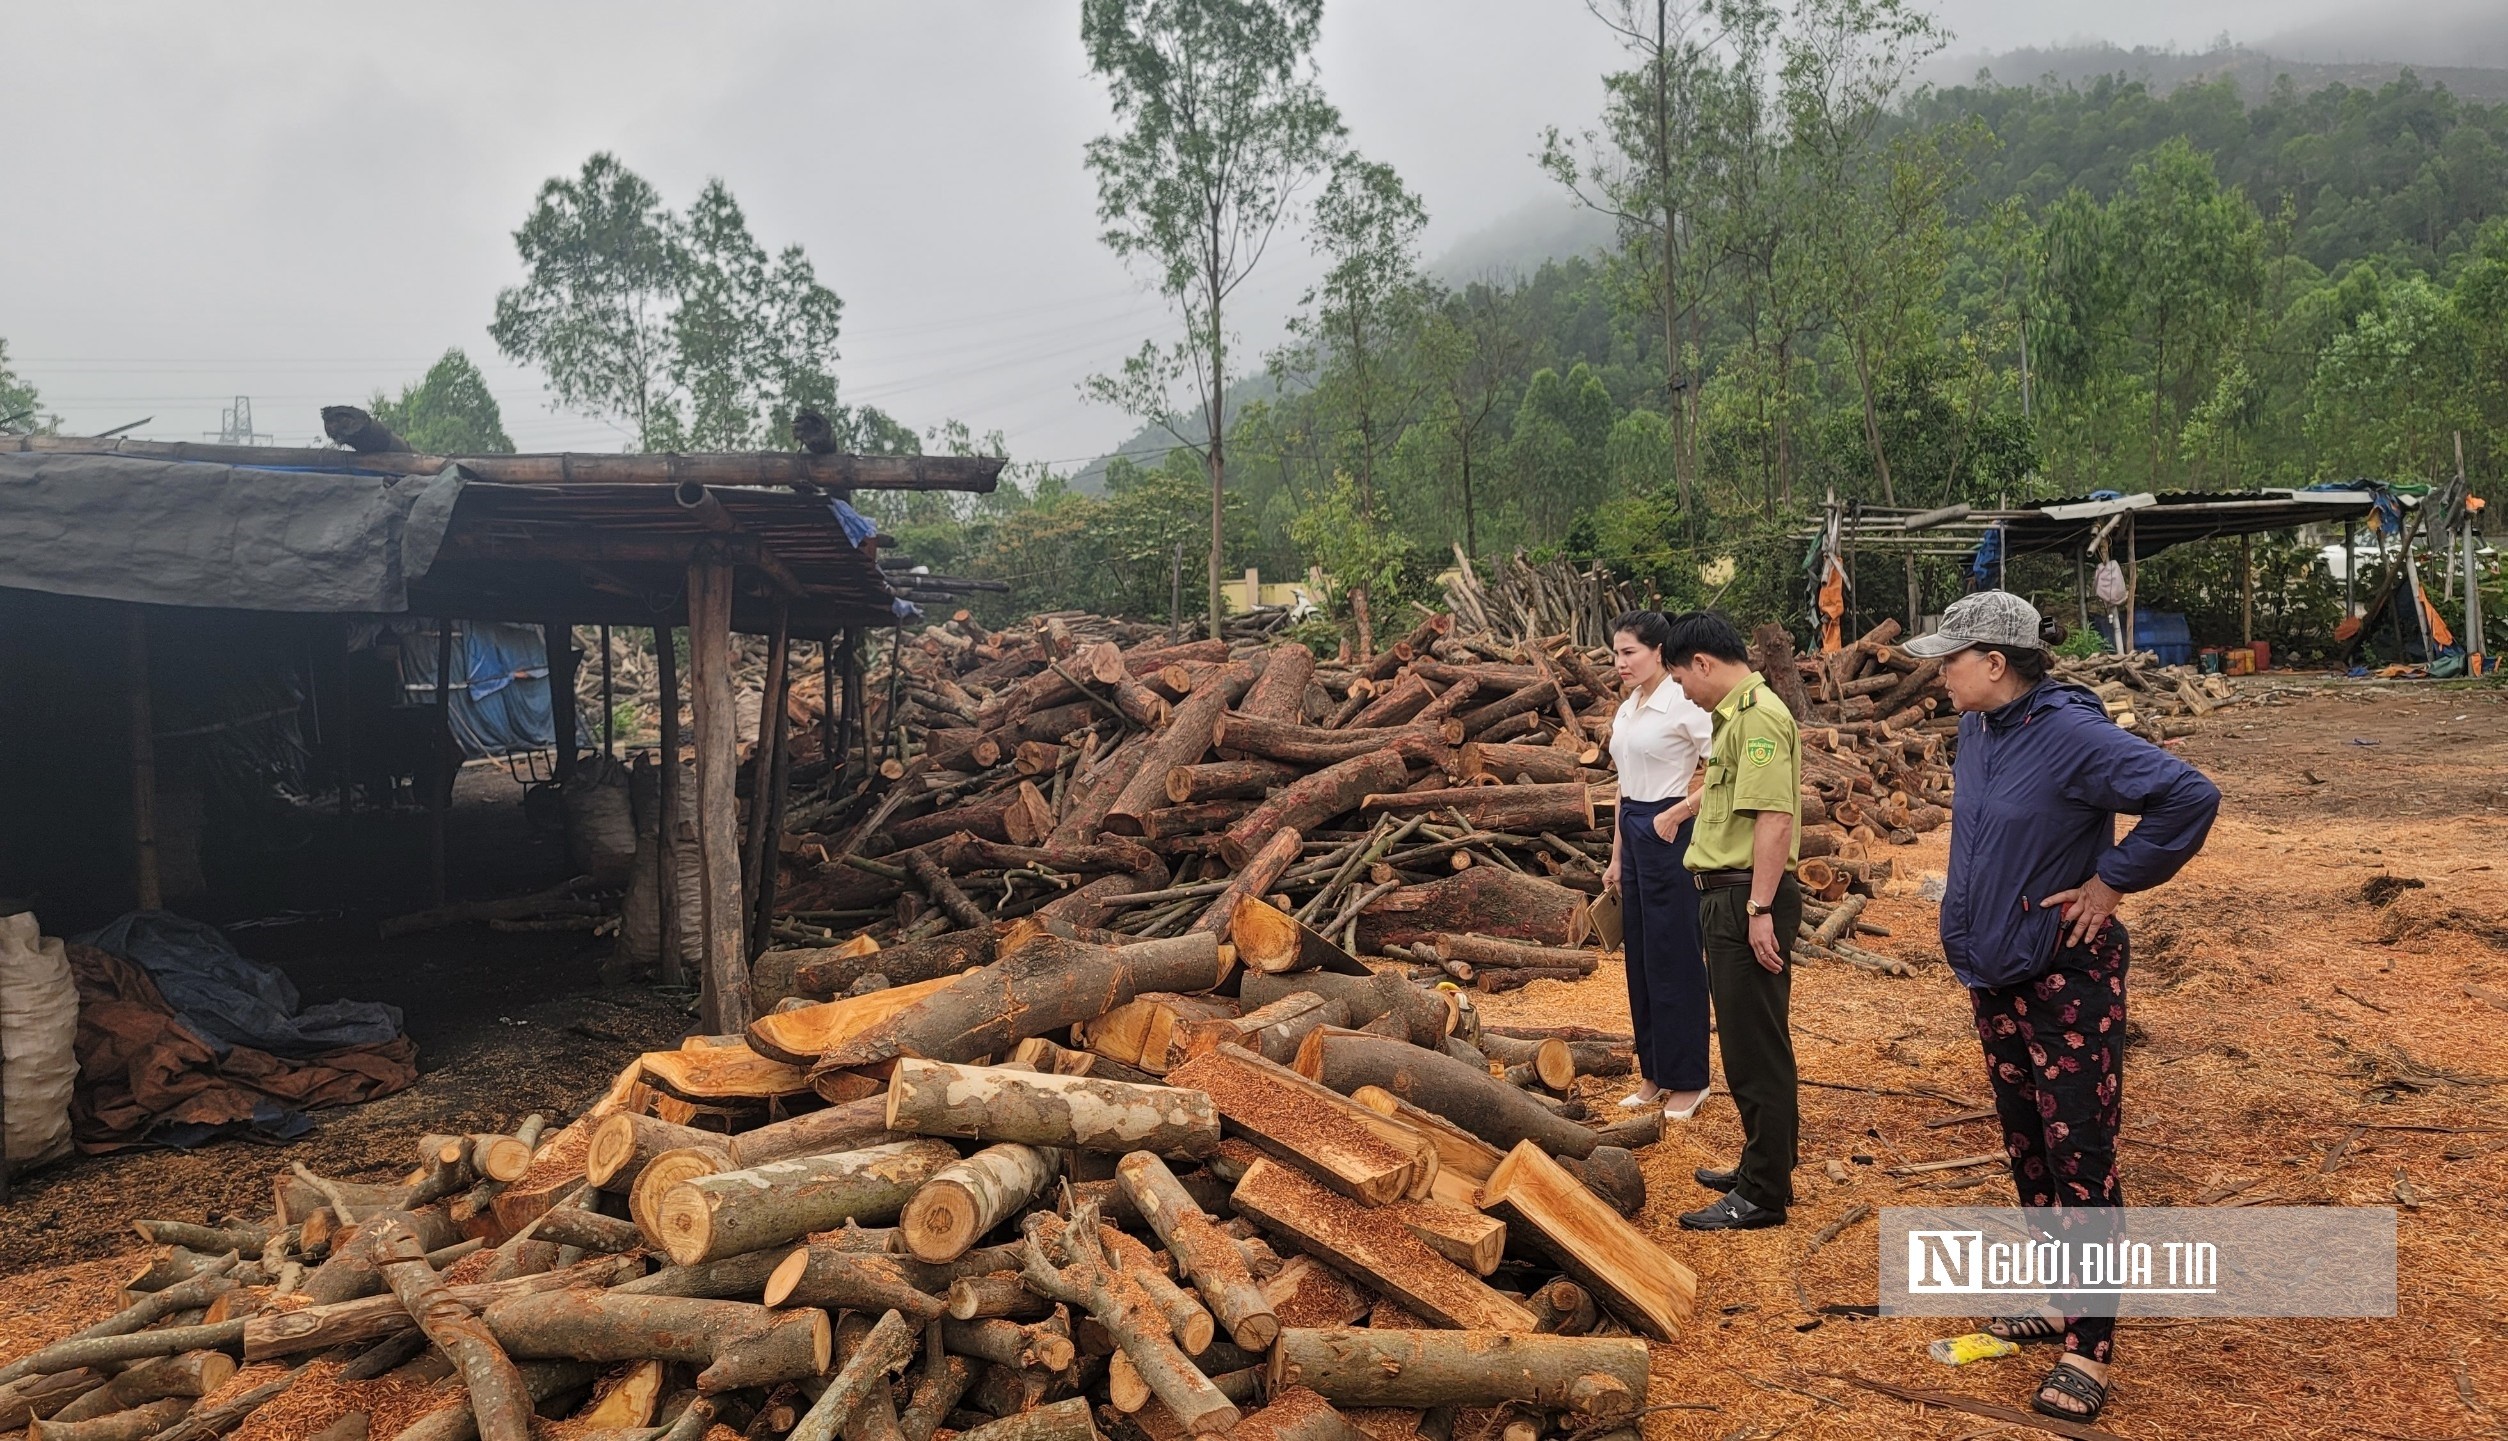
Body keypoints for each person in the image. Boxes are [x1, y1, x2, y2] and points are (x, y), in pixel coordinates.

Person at [1906, 590, 2219, 1425]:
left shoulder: (2074, 735)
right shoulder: (1978, 729)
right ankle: (2058, 1296)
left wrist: (2113, 879)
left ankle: (2090, 1345)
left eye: (1951, 657)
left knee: (2080, 1153)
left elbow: (2189, 795)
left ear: (1996, 663)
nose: (1940, 671)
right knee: (2030, 1147)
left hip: (2063, 975)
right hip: (1996, 972)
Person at [1661, 611, 1801, 1232]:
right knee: (1749, 1041)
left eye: (1681, 680)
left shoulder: (1760, 718)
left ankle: (1764, 1193)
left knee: (1754, 1049)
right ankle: (1760, 1165)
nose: (1684, 693)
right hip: (1732, 896)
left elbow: (1774, 818)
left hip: (1748, 897)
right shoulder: (1738, 719)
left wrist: (1759, 909)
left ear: (1704, 663)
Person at [1601, 611, 1715, 1121]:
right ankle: (1653, 1074)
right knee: (1642, 958)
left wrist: (1680, 812)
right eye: (1616, 653)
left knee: (1677, 957)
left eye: (1629, 652)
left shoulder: (1683, 701)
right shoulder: (1628, 708)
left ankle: (1690, 1080)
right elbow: (1623, 788)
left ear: (1657, 650)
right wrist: (1616, 855)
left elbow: (1724, 769)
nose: (1619, 662)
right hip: (1635, 829)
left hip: (1673, 830)